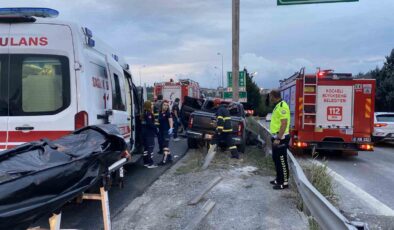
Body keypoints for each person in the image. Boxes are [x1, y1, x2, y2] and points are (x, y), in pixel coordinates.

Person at [269, 89, 290, 190]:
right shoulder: (278, 105)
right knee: (276, 159)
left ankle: (284, 183)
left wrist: (278, 138)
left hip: (281, 138)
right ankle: (278, 179)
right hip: (275, 137)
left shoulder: (282, 106)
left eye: (270, 96)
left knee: (282, 160)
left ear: (274, 96)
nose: (270, 98)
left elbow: (284, 124)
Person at [141, 101, 158, 168]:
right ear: (148, 106)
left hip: (144, 133)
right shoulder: (149, 114)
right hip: (149, 133)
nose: (152, 105)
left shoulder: (143, 113)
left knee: (145, 148)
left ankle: (145, 162)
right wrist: (156, 129)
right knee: (150, 148)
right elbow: (150, 123)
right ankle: (150, 163)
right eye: (151, 104)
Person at [158, 100, 174, 165]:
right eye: (164, 105)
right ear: (161, 105)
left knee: (165, 146)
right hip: (161, 131)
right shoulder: (160, 113)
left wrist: (171, 128)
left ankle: (164, 161)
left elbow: (171, 121)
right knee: (164, 146)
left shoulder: (168, 113)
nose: (166, 106)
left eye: (167, 105)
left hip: (166, 132)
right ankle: (170, 158)